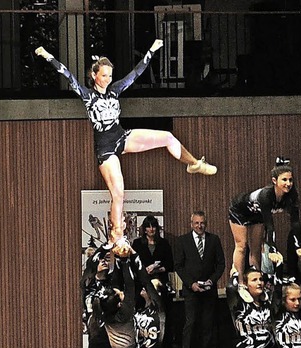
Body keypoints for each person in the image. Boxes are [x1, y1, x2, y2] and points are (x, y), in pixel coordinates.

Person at [35, 41, 216, 249]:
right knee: (119, 192)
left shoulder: (114, 91)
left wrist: (151, 50)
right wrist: (47, 55)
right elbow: (67, 75)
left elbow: (135, 74)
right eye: (104, 75)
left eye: (110, 76)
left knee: (167, 137)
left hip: (121, 136)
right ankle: (116, 235)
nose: (108, 79)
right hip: (105, 148)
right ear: (94, 76)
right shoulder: (88, 96)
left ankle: (194, 164)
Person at [229, 158, 300, 295]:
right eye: (284, 180)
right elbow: (270, 224)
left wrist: (299, 246)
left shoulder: (291, 196)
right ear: (275, 181)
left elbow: (295, 223)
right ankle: (241, 282)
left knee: (256, 248)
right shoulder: (267, 195)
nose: (288, 183)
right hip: (240, 210)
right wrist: (272, 249)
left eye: (290, 180)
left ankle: (256, 280)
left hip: (257, 213)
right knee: (242, 245)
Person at [174, 211, 226, 348]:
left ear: (206, 223)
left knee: (207, 325)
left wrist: (212, 280)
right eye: (196, 223)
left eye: (202, 223)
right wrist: (191, 284)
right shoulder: (183, 241)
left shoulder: (214, 240)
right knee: (190, 324)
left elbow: (221, 264)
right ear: (191, 224)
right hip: (191, 291)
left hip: (209, 290)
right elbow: (179, 266)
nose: (199, 226)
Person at [132, 215, 175, 348]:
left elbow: (170, 264)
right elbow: (133, 266)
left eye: (154, 226)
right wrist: (144, 270)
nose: (151, 229)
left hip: (160, 285)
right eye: (148, 227)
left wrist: (158, 269)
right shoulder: (137, 244)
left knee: (163, 317)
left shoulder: (163, 243)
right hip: (143, 286)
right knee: (144, 317)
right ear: (144, 229)